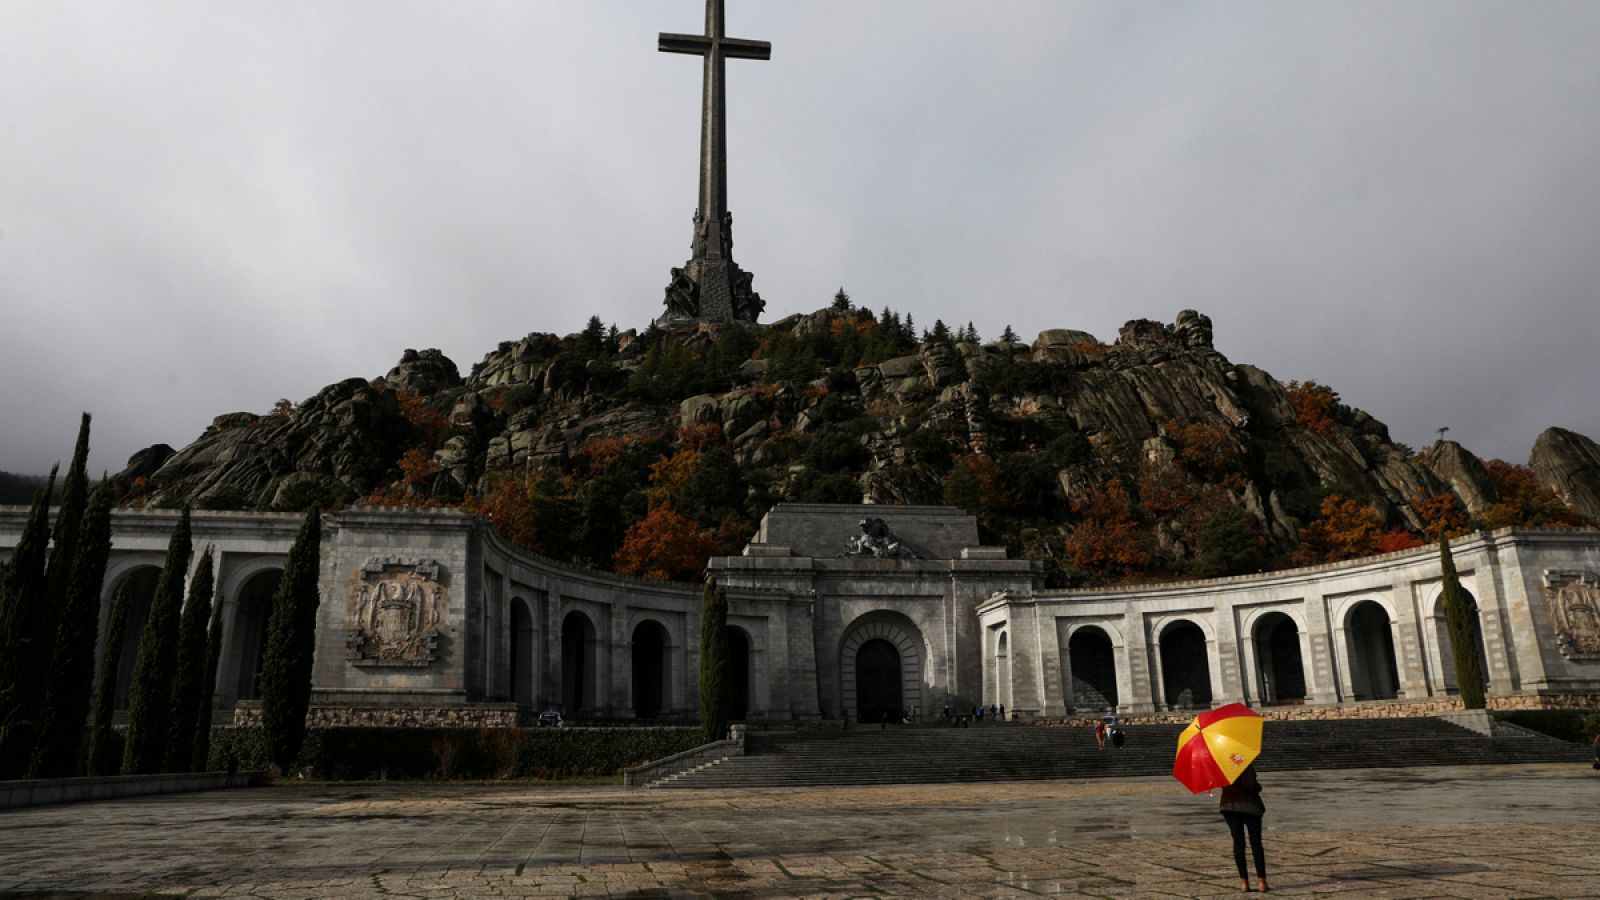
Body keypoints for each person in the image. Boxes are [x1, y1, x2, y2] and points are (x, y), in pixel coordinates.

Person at [1219, 764, 1268, 893]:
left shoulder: (1221, 766)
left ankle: (1243, 882)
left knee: (1238, 842)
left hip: (1229, 806)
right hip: (1249, 807)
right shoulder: (1244, 764)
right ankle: (1262, 881)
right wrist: (1258, 786)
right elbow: (1251, 786)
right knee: (1256, 843)